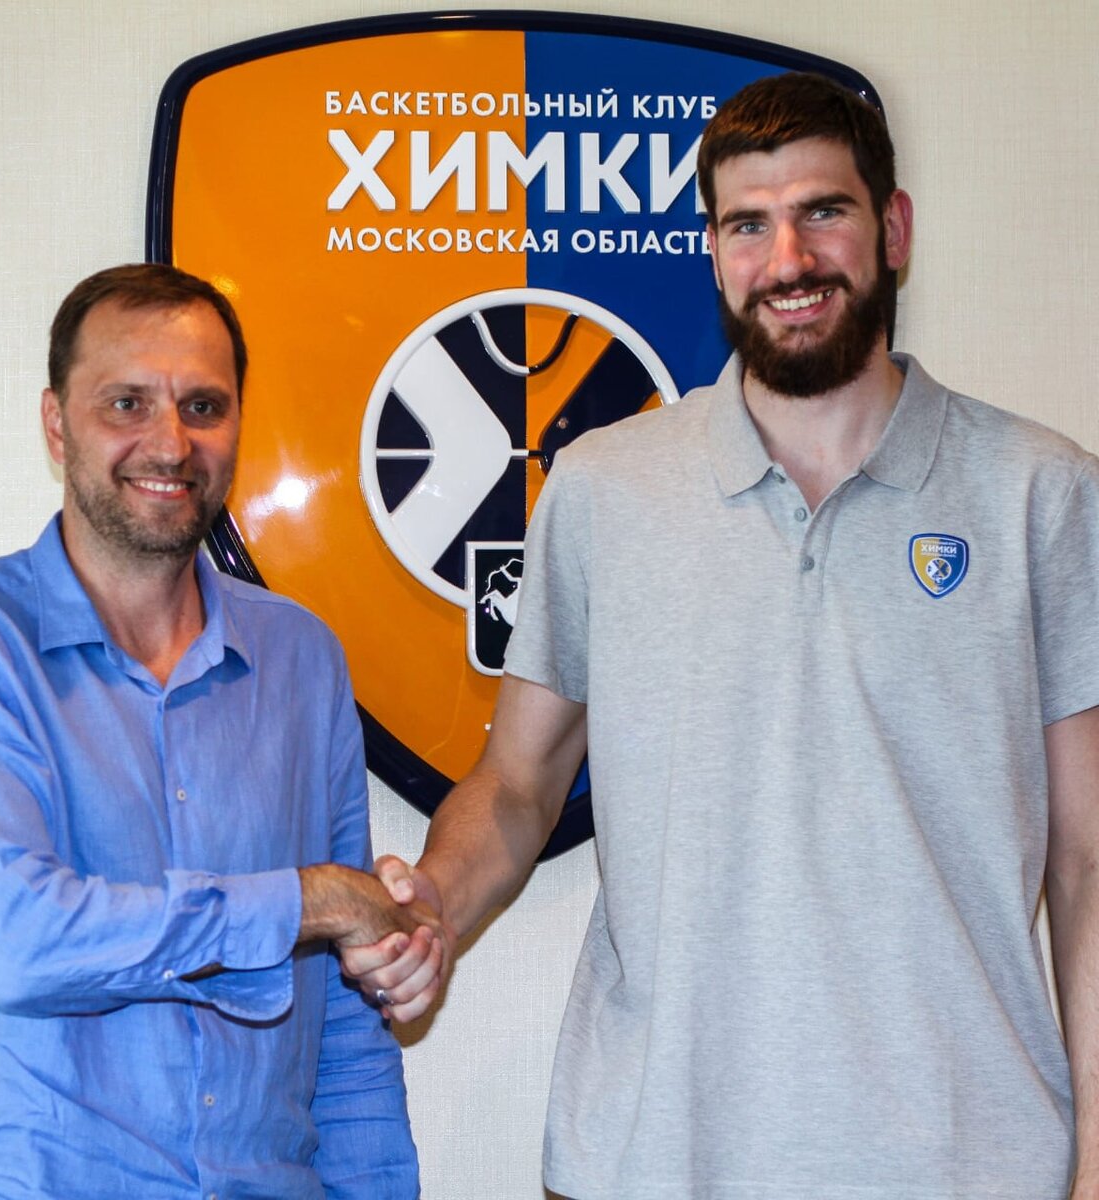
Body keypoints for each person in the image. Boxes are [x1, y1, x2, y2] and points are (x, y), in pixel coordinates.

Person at [342, 73, 1099, 1198]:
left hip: (965, 1162)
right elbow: (518, 786)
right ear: (713, 251)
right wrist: (435, 910)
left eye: (823, 212)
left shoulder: (1042, 492)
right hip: (655, 1157)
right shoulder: (603, 487)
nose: (788, 258)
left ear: (893, 229)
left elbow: (1088, 859)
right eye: (749, 224)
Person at [0, 264, 434, 1198]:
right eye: (127, 403)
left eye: (202, 406)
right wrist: (305, 902)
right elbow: (16, 942)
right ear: (57, 425)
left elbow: (346, 1025)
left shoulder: (302, 658)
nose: (170, 442)